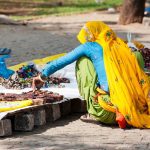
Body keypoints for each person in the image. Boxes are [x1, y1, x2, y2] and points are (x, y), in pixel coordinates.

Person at [32, 21, 150, 128]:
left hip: (107, 112)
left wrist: (42, 76)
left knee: (83, 61)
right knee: (135, 56)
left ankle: (92, 111)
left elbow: (62, 61)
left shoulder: (91, 47)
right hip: (137, 108)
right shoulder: (121, 46)